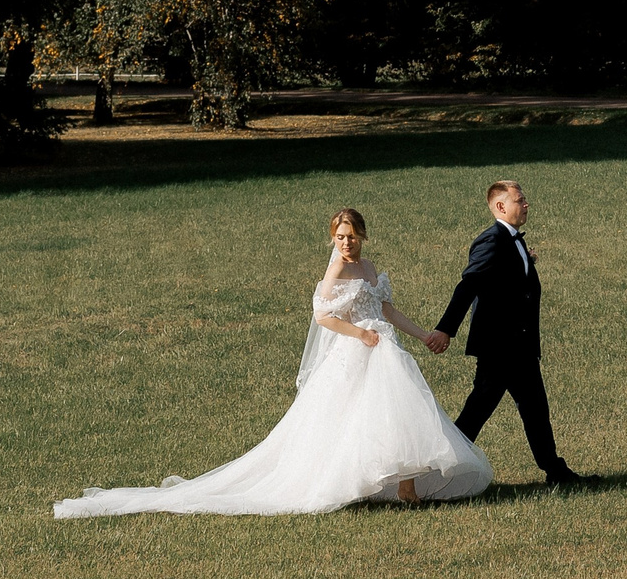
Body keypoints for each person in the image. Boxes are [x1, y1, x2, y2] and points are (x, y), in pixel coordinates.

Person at [52, 208, 492, 517]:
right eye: (339, 236)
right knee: (351, 419)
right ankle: (349, 483)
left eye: (351, 235)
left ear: (363, 235)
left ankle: (406, 488)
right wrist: (361, 334)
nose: (346, 242)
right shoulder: (334, 272)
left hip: (386, 349)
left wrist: (424, 335)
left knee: (397, 417)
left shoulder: (372, 267)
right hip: (358, 350)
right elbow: (323, 316)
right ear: (332, 239)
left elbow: (388, 309)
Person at [428, 178, 584, 484]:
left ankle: (555, 471)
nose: (526, 205)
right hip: (499, 347)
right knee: (478, 411)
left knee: (535, 409)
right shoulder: (492, 240)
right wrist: (446, 329)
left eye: (525, 200)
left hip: (520, 345)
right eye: (520, 200)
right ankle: (439, 472)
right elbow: (468, 285)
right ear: (501, 206)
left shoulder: (513, 240)